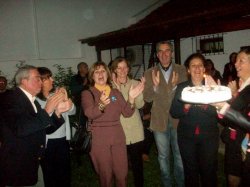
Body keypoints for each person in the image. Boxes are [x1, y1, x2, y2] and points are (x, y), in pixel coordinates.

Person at [0, 65, 69, 186]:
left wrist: (57, 113)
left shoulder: (33, 100)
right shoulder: (10, 99)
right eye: (37, 78)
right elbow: (20, 128)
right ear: (24, 81)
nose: (41, 82)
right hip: (18, 166)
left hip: (33, 162)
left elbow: (44, 130)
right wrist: (47, 110)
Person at [81, 61, 144, 187]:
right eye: (96, 71)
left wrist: (131, 99)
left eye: (103, 71)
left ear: (108, 74)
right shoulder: (88, 93)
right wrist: (101, 104)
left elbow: (127, 113)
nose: (100, 74)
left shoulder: (115, 92)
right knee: (106, 176)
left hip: (118, 138)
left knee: (122, 174)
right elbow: (89, 113)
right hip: (99, 139)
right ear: (92, 76)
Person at [170, 53, 219, 186]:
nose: (197, 68)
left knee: (208, 170)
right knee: (190, 170)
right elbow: (174, 112)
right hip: (186, 137)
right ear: (188, 70)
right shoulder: (182, 88)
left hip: (209, 136)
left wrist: (206, 105)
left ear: (204, 69)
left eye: (200, 65)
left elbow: (220, 113)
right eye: (193, 66)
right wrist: (185, 107)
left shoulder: (212, 87)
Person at [143, 41, 187, 187]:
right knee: (163, 156)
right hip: (158, 120)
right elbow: (147, 98)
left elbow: (185, 95)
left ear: (172, 53)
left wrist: (175, 87)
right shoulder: (149, 72)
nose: (164, 54)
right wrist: (155, 88)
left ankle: (180, 183)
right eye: (160, 51)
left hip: (178, 120)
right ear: (157, 55)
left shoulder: (181, 70)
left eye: (167, 51)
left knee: (179, 156)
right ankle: (167, 183)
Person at [211, 47, 250, 186]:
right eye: (236, 60)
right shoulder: (243, 86)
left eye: (241, 60)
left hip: (243, 143)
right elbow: (234, 111)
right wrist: (228, 98)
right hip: (234, 143)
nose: (236, 64)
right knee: (233, 178)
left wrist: (223, 106)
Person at [36, 67, 76, 187]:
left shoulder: (56, 94)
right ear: (41, 81)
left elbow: (72, 111)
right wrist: (55, 110)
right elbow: (42, 123)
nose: (52, 79)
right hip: (47, 143)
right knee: (50, 174)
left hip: (63, 139)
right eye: (49, 78)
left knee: (64, 173)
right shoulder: (36, 101)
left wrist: (66, 97)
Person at [110, 57, 145, 187]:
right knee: (120, 166)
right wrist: (117, 90)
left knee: (137, 165)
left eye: (125, 67)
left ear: (129, 69)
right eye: (119, 67)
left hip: (135, 130)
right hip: (118, 132)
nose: (122, 70)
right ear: (114, 70)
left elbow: (140, 105)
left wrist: (139, 93)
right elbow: (113, 108)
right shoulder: (110, 87)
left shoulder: (135, 83)